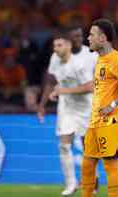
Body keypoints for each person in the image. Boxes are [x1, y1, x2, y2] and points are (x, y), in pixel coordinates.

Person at [81, 19, 118, 197]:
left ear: (103, 38)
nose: (88, 38)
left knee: (109, 164)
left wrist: (112, 105)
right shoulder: (100, 59)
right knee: (87, 164)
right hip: (95, 120)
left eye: (92, 34)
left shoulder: (115, 58)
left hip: (110, 120)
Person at [37, 31, 95, 196]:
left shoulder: (79, 64)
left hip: (85, 108)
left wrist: (64, 90)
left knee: (88, 149)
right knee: (64, 145)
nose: (56, 49)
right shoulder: (54, 59)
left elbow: (90, 87)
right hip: (66, 107)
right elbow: (51, 81)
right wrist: (42, 104)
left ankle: (91, 180)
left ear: (68, 46)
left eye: (59, 45)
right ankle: (71, 184)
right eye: (54, 45)